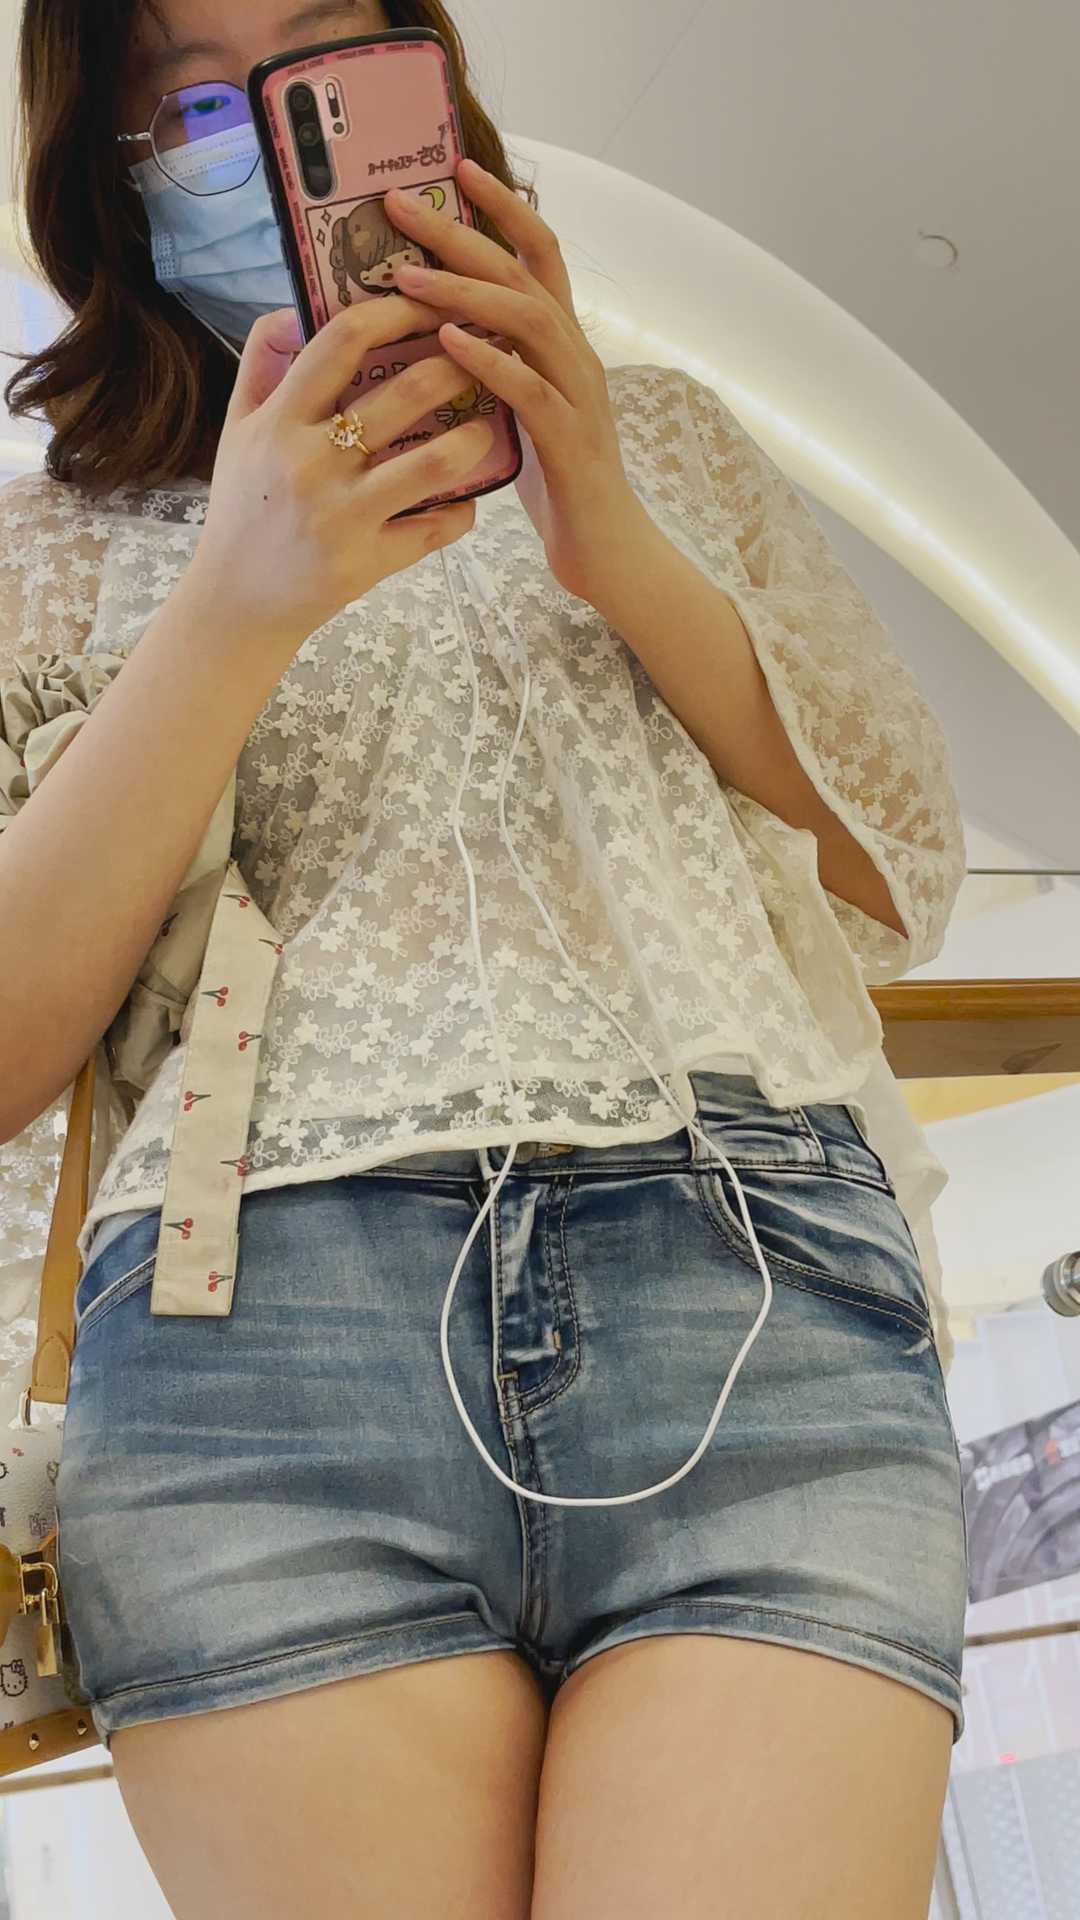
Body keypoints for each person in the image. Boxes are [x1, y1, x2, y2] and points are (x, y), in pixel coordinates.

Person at [0, 1, 971, 1914]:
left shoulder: (664, 437)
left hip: (753, 1277)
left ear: (422, 80)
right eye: (192, 102)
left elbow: (901, 863)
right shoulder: (48, 548)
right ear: (106, 171)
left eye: (316, 64)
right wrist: (231, 606)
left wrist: (605, 521)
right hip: (251, 1348)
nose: (261, 137)